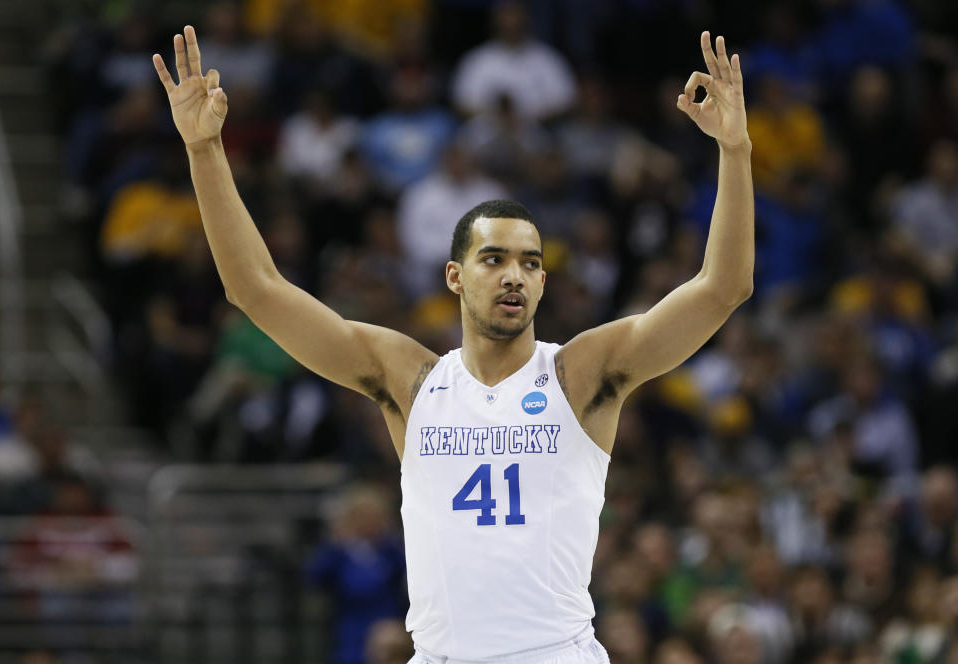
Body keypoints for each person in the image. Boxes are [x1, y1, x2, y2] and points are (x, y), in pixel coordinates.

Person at [153, 25, 753, 662]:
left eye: (528, 262)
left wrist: (736, 150)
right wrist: (204, 150)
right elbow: (256, 289)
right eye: (493, 258)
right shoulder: (411, 381)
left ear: (544, 282)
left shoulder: (580, 375)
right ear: (455, 276)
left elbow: (723, 288)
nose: (513, 274)